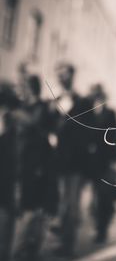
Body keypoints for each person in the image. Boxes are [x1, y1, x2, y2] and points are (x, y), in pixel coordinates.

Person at [13, 75, 59, 261]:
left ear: (30, 88)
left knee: (35, 207)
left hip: (39, 164)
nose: (20, 90)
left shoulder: (41, 108)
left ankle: (28, 248)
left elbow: (41, 130)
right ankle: (27, 247)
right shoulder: (24, 108)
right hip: (24, 164)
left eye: (22, 86)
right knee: (28, 207)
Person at [52, 62, 94, 256]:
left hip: (75, 164)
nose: (61, 77)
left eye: (64, 73)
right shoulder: (56, 100)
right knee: (61, 204)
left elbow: (89, 133)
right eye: (58, 74)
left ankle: (68, 245)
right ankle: (62, 241)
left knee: (71, 205)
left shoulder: (83, 101)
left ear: (71, 76)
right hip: (57, 162)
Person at [86, 83, 116, 243]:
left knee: (104, 196)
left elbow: (114, 137)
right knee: (96, 197)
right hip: (92, 163)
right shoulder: (89, 113)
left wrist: (115, 160)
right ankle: (99, 224)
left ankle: (102, 229)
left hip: (106, 161)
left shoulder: (110, 113)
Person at [0, 81, 20, 261]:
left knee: (7, 212)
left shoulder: (12, 119)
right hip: (9, 173)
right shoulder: (12, 119)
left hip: (9, 173)